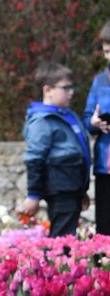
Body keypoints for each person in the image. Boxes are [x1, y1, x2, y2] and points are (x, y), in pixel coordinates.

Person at [21, 61, 90, 238]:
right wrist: (33, 195)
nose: (71, 92)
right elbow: (34, 159)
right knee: (61, 240)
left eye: (72, 87)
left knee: (68, 236)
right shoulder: (42, 121)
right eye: (65, 88)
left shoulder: (68, 115)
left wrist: (82, 190)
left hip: (73, 187)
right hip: (60, 188)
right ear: (47, 90)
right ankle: (52, 266)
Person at [84, 27, 110, 235]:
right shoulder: (100, 81)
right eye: (107, 52)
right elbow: (86, 120)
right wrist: (94, 123)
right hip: (105, 166)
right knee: (105, 227)